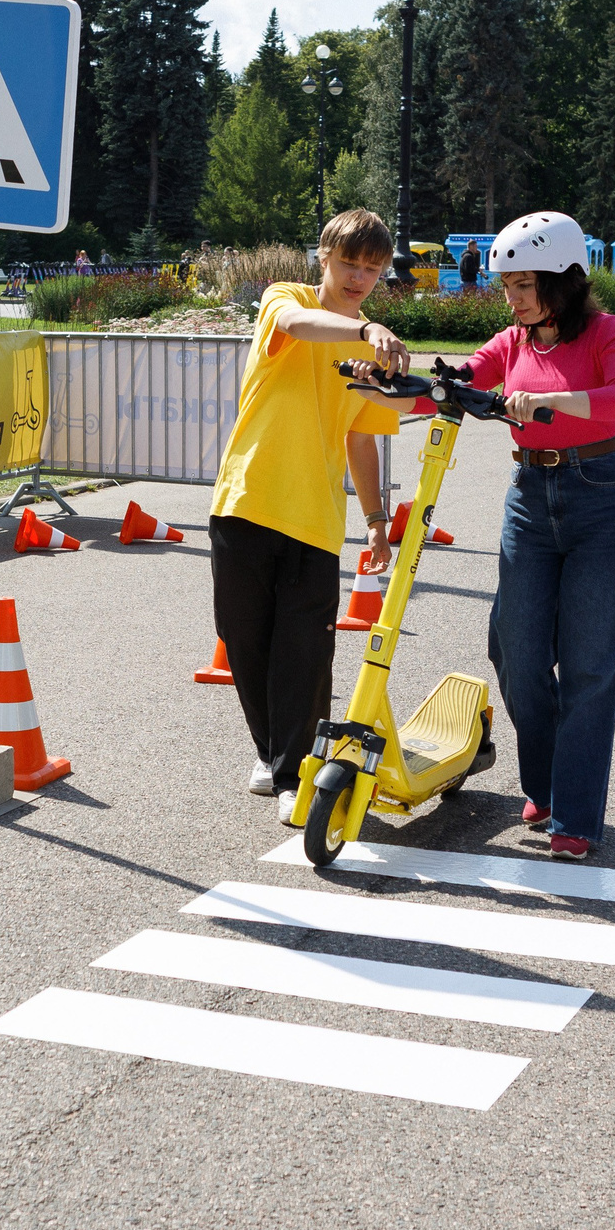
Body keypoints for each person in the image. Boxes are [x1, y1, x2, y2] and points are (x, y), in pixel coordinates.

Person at [209, 208, 413, 820]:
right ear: (323, 256)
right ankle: (274, 751)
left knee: (303, 650)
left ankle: (296, 773)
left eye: (372, 269)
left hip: (316, 519)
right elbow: (300, 325)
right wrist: (364, 329)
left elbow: (360, 438)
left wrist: (376, 520)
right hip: (247, 499)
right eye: (349, 263)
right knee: (245, 639)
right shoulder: (284, 299)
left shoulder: (373, 350)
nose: (359, 277)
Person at [463, 211, 615, 858]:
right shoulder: (513, 340)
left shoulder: (605, 331)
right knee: (515, 649)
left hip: (600, 496)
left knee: (590, 664)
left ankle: (573, 814)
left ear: (562, 279)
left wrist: (551, 403)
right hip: (529, 500)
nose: (510, 298)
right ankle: (543, 781)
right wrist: (408, 384)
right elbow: (468, 375)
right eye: (506, 285)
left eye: (521, 284)